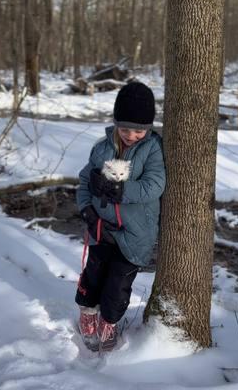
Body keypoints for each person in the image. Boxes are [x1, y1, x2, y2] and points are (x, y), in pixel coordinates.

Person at [75, 81, 166, 352]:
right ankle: (88, 314)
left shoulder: (153, 149)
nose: (131, 135)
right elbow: (83, 181)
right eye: (125, 128)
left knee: (117, 286)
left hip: (135, 234)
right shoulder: (102, 148)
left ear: (148, 128)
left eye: (139, 130)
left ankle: (109, 322)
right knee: (93, 276)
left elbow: (155, 185)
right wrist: (86, 210)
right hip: (101, 228)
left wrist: (120, 189)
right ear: (115, 124)